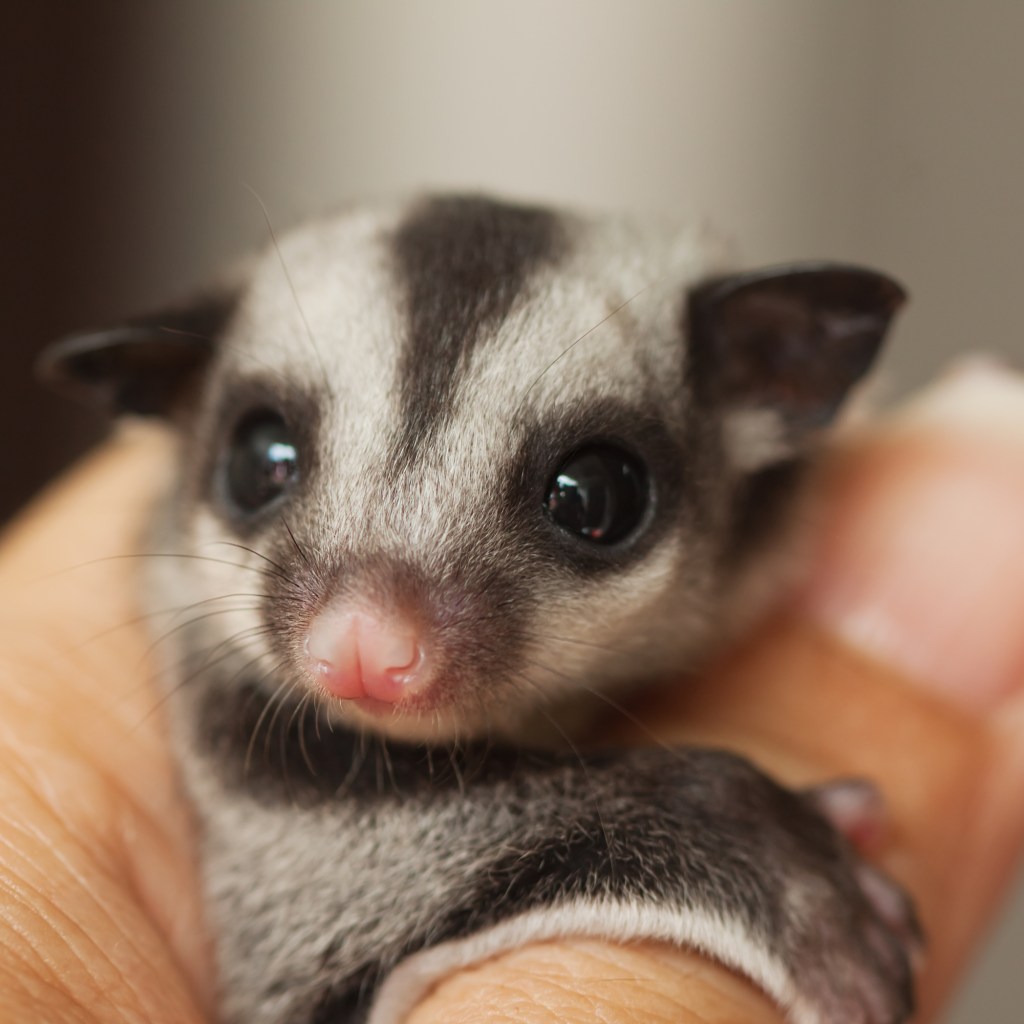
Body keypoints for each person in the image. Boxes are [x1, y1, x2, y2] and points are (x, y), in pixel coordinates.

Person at [0, 365, 1022, 1024]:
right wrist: (699, 827)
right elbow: (308, 958)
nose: (369, 640)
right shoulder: (192, 651)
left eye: (583, 502)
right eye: (271, 467)